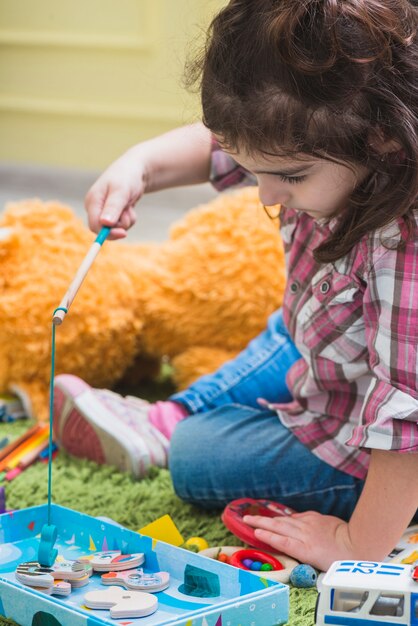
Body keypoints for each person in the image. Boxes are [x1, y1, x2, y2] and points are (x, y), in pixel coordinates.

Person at [53, 0, 418, 572]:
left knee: (200, 456)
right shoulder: (319, 139)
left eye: (289, 176)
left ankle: (174, 431)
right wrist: (141, 165)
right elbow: (214, 146)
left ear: (383, 142)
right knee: (287, 330)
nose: (265, 197)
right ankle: (163, 418)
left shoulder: (405, 247)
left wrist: (356, 547)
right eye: (253, 170)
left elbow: (408, 420)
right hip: (340, 359)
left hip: (383, 452)